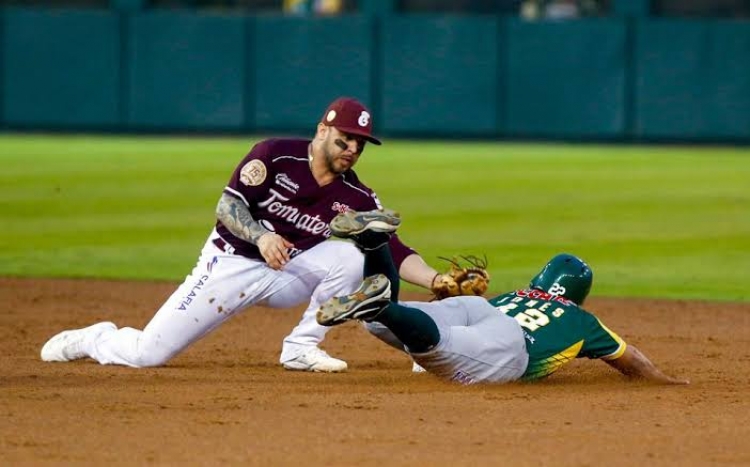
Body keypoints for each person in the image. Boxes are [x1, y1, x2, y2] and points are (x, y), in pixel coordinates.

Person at [40, 97, 440, 372]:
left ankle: (300, 348)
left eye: (360, 144)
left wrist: (436, 280)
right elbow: (228, 207)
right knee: (148, 354)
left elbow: (393, 247)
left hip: (289, 271)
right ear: (321, 131)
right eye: (345, 138)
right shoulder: (273, 154)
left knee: (354, 258)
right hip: (229, 263)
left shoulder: (356, 194)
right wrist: (261, 236)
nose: (352, 148)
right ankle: (97, 339)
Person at [317, 209, 689, 385]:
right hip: (508, 346)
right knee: (435, 343)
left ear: (541, 279)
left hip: (479, 309)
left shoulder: (516, 295)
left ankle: (375, 243)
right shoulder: (582, 321)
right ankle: (380, 302)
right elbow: (632, 362)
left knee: (383, 322)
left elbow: (461, 315)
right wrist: (666, 382)